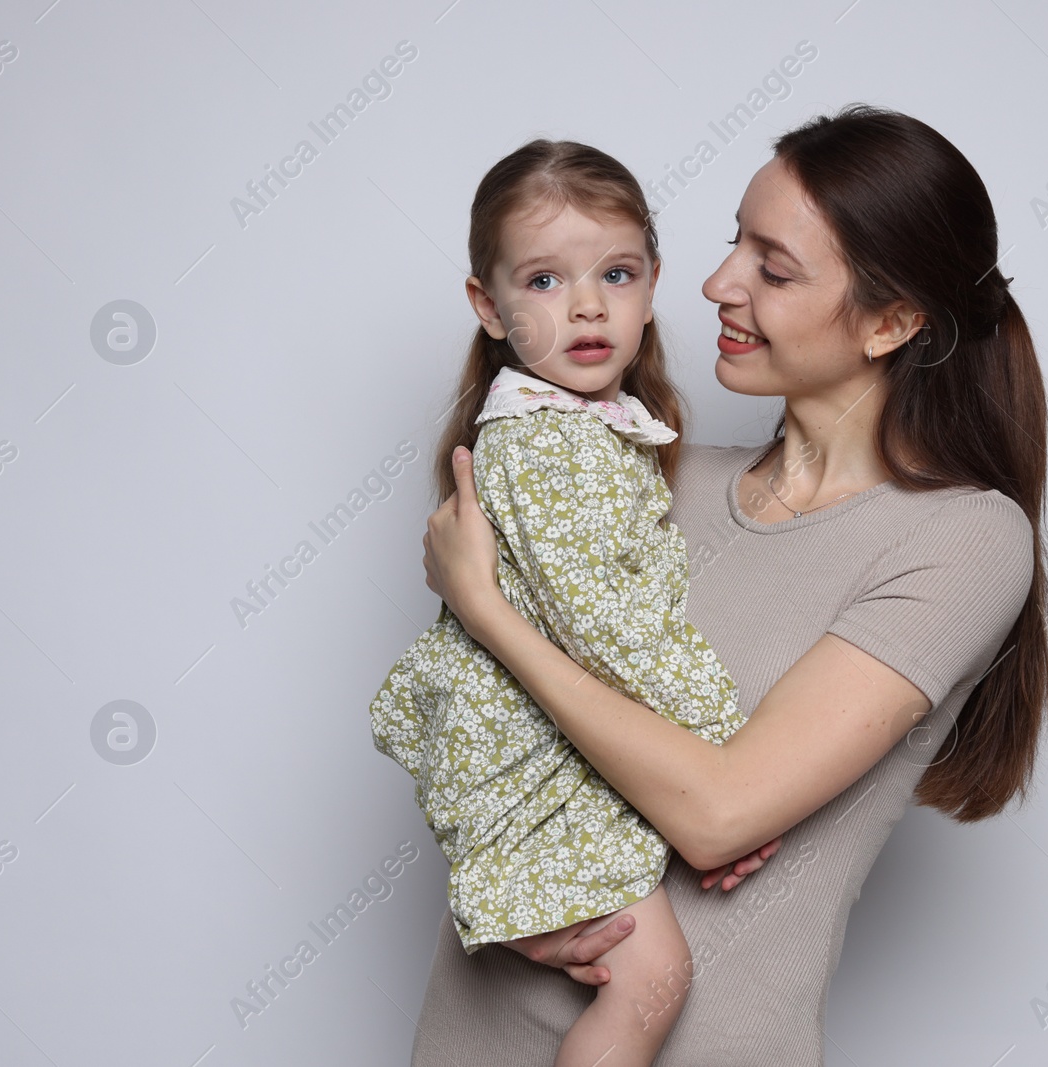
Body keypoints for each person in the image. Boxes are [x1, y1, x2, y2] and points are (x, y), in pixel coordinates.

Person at [411, 104, 1048, 1066]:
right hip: (476, 1035)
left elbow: (715, 817)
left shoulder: (960, 540)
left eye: (773, 267)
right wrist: (507, 905)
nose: (716, 285)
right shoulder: (647, 475)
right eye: (731, 247)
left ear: (892, 322)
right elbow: (481, 726)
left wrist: (490, 611)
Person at [369, 139, 773, 1067]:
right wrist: (730, 759)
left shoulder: (596, 433)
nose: (588, 305)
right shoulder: (550, 448)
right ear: (490, 306)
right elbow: (612, 633)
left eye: (617, 273)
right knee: (653, 975)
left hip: (551, 752)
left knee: (644, 972)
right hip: (535, 766)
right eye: (546, 280)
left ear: (653, 283)